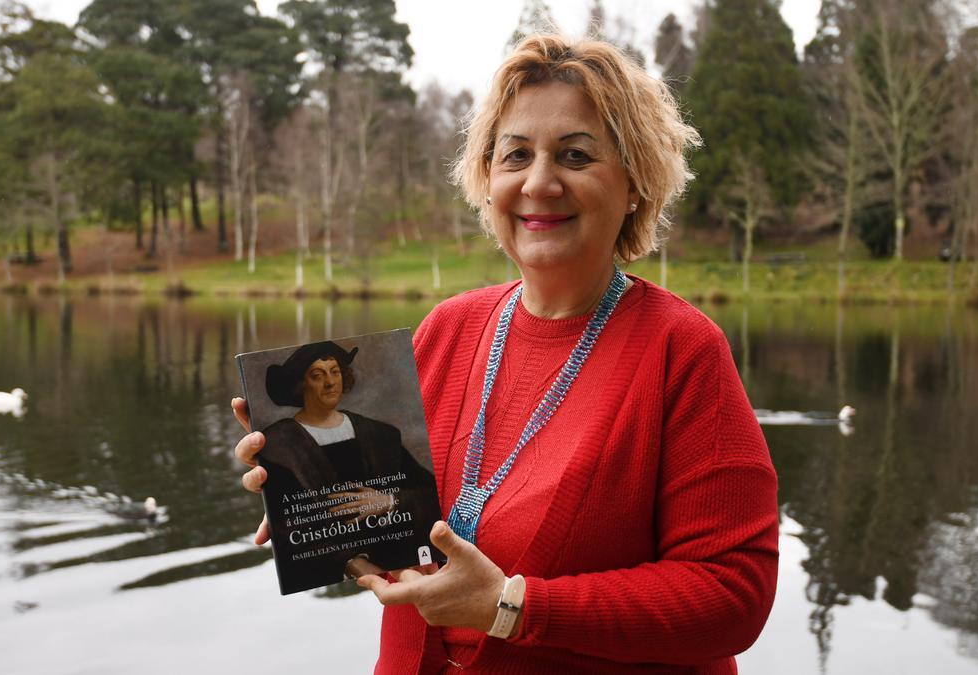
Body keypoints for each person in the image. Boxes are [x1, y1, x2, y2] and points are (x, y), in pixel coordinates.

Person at [232, 34, 778, 673]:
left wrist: (511, 606)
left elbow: (733, 596)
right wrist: (311, 502)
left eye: (575, 155)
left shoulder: (681, 351)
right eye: (515, 155)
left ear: (635, 181)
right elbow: (402, 539)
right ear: (488, 179)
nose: (539, 183)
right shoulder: (447, 331)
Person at [256, 341, 438, 590]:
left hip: (407, 564)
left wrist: (390, 501)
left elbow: (429, 495)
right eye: (317, 375)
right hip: (332, 572)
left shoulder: (380, 435)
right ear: (300, 385)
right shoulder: (277, 445)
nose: (330, 382)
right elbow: (288, 527)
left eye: (335, 372)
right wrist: (350, 561)